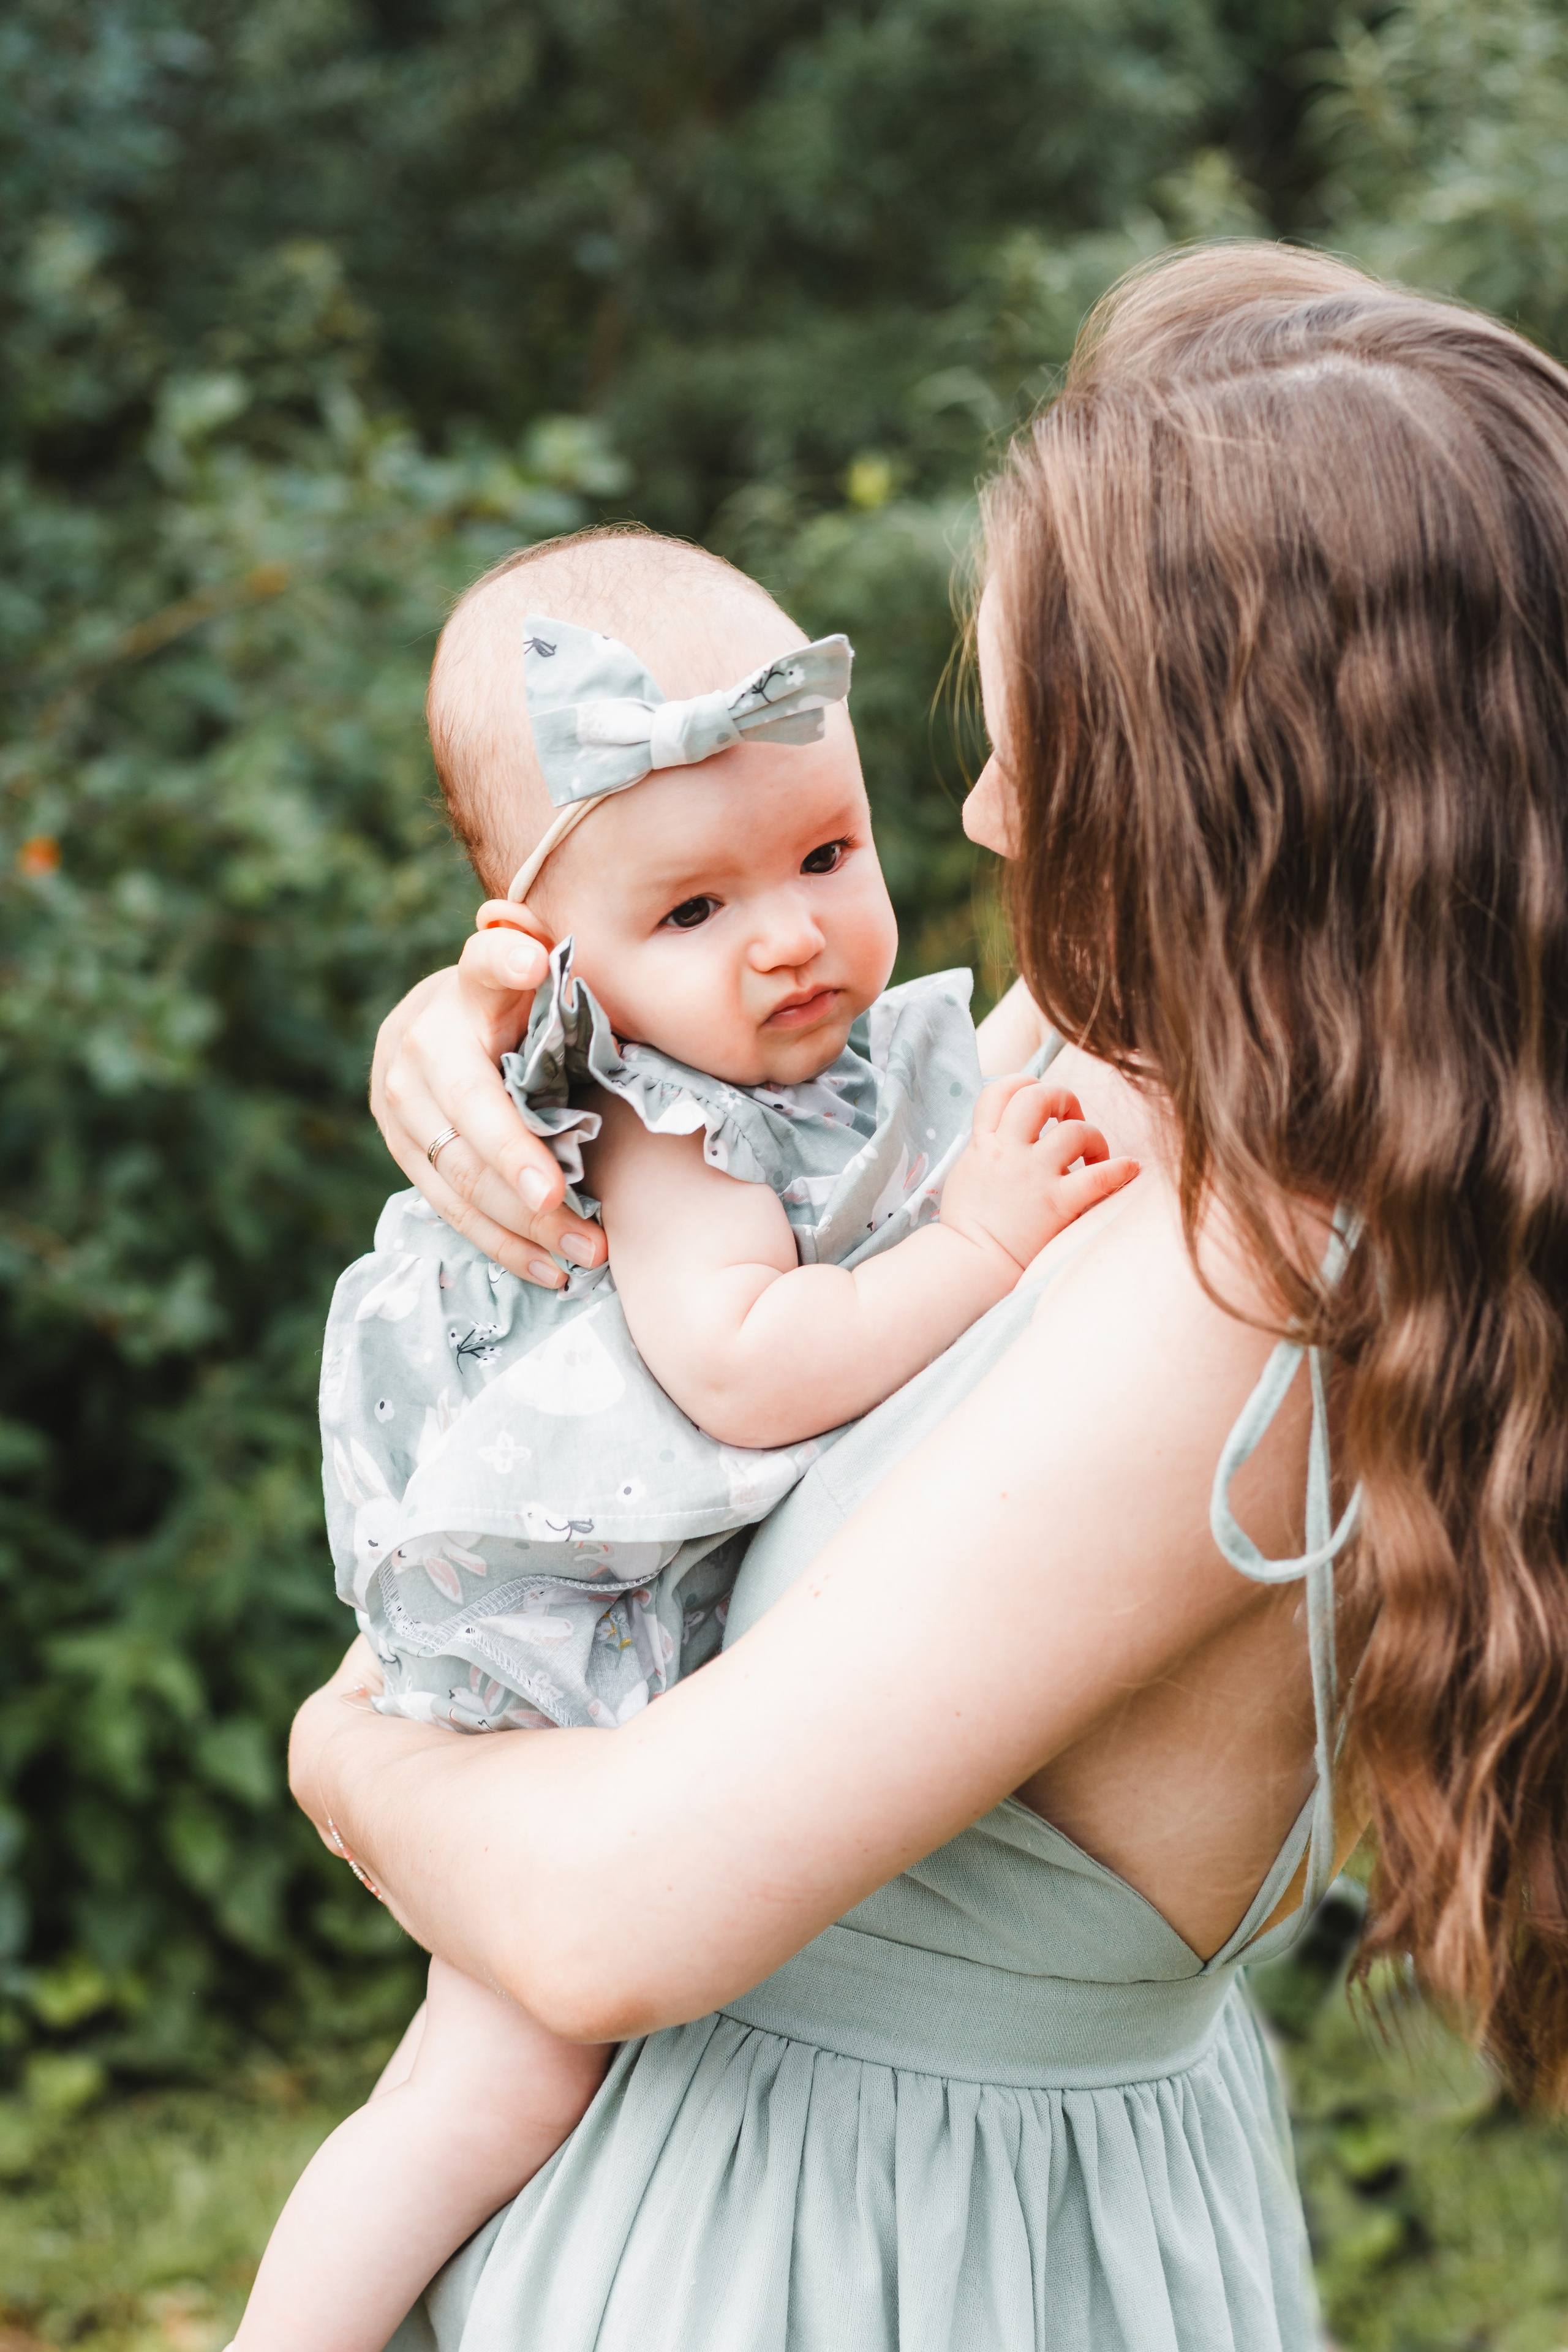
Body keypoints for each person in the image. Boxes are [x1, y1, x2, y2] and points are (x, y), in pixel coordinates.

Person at [288, 240, 1568, 2350]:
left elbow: (614, 1916)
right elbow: (739, 1095)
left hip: (876, 2265)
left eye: (1040, 743)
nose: (976, 808)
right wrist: (480, 1017)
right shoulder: (1119, 1076)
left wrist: (349, 1754)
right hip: (751, 2196)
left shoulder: (1234, 1302)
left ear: (1235, 804)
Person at [235, 535, 1132, 2351]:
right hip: (578, 1637)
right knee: (491, 2090)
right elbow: (745, 1364)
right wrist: (976, 1243)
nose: (792, 935)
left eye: (825, 857)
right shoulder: (670, 1124)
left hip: (673, 1626)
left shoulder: (808, 1057)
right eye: (693, 913)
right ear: (551, 962)